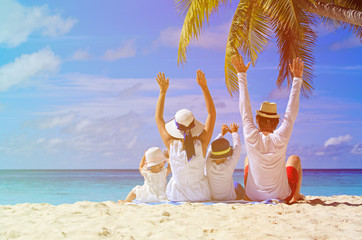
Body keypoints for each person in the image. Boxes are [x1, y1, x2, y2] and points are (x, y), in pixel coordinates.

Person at [231, 54, 304, 204]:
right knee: (294, 159)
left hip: (252, 196)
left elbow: (244, 108)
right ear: (277, 122)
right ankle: (295, 195)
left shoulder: (251, 135)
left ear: (257, 120)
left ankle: (251, 194)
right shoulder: (281, 136)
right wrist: (297, 79)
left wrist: (241, 75)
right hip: (282, 196)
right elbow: (291, 112)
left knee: (247, 159)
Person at [155, 70, 216, 202]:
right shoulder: (202, 143)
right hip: (201, 195)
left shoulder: (171, 144)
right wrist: (204, 87)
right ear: (193, 125)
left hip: (176, 195)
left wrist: (162, 92)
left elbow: (158, 118)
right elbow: (211, 114)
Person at [206, 123, 245, 201]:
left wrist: (222, 134)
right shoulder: (228, 166)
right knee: (237, 185)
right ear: (226, 157)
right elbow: (237, 149)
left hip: (213, 198)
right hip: (230, 198)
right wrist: (234, 133)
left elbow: (210, 149)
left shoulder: (208, 164)